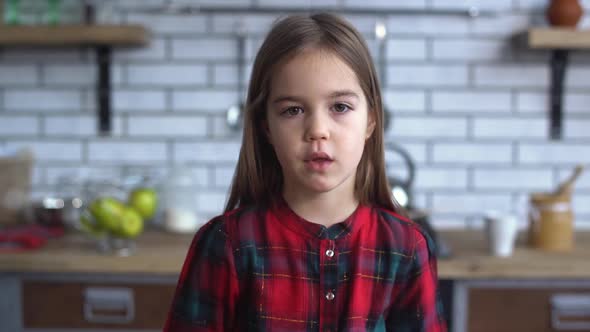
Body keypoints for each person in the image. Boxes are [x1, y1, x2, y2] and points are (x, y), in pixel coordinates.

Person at [164, 13, 446, 332]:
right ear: (266, 126)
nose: (317, 131)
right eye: (293, 110)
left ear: (371, 120)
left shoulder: (406, 247)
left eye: (340, 107)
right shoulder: (226, 244)